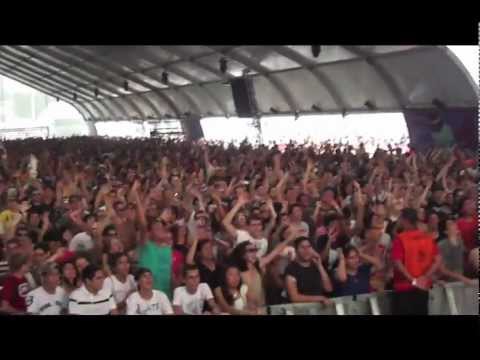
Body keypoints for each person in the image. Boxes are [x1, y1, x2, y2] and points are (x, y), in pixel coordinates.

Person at [391, 208, 441, 315]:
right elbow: (437, 260)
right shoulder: (428, 238)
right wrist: (425, 277)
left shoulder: (400, 239)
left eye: (400, 218)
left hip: (404, 288)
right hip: (423, 288)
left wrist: (414, 281)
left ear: (405, 220)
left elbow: (397, 263)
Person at [285, 237, 333, 304]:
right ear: (296, 250)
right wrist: (319, 298)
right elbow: (294, 297)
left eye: (309, 247)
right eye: (302, 247)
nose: (306, 250)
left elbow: (328, 289)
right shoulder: (291, 269)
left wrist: (320, 266)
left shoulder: (316, 266)